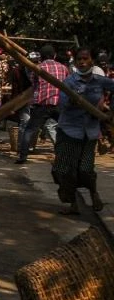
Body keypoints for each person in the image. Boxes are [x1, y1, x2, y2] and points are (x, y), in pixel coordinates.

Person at [51, 47, 114, 214]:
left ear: (92, 61)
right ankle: (72, 203)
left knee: (86, 169)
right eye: (79, 59)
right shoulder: (69, 82)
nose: (82, 62)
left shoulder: (99, 81)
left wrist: (110, 112)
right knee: (64, 169)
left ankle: (93, 192)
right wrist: (72, 101)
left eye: (86, 59)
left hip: (90, 132)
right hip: (69, 131)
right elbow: (61, 105)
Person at [15, 44, 68, 164]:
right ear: (54, 55)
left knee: (29, 130)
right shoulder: (63, 68)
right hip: (59, 103)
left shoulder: (38, 68)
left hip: (42, 104)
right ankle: (65, 154)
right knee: (65, 129)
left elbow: (33, 82)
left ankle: (22, 156)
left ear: (41, 57)